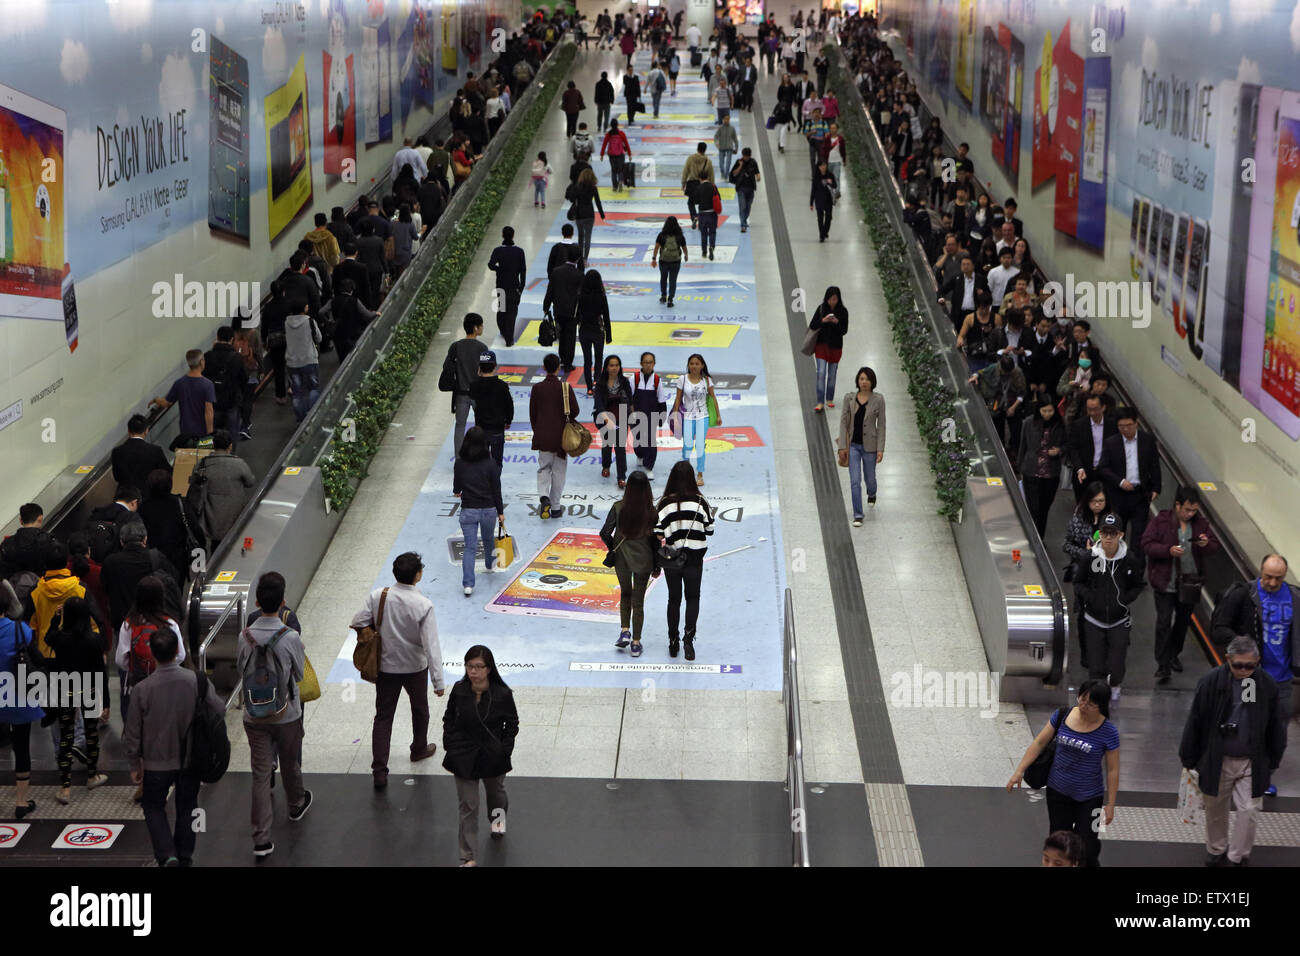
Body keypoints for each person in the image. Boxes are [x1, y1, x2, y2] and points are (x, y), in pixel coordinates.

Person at [1180, 635, 1287, 866]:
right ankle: (1217, 848)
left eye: (1250, 665)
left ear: (1258, 661)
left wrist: (1274, 757)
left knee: (1249, 809)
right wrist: (1188, 757)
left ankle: (1237, 856)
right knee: (1215, 807)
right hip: (1217, 757)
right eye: (1238, 665)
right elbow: (1196, 720)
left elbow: (1276, 725)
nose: (1244, 670)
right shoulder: (1210, 682)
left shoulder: (1266, 684)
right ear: (1227, 659)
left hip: (1252, 759)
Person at [122, 624, 223, 866]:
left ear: (153, 654)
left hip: (156, 763)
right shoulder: (196, 680)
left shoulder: (142, 689)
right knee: (187, 806)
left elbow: (133, 732)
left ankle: (167, 855)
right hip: (190, 759)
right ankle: (185, 855)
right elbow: (219, 708)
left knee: (153, 806)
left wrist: (134, 763)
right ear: (177, 650)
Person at [349, 552, 446, 791]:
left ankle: (379, 771)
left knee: (383, 716)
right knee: (420, 709)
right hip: (415, 667)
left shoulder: (378, 596)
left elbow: (358, 620)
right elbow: (431, 645)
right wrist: (438, 681)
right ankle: (419, 748)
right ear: (418, 575)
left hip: (386, 667)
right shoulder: (423, 605)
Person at [1007, 680, 1119, 868]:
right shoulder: (1062, 715)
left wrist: (1111, 804)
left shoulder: (1108, 731)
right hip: (1058, 792)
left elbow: (1113, 769)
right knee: (1059, 844)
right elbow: (1039, 743)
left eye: (1090, 704)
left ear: (1101, 705)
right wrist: (1019, 771)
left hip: (1091, 797)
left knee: (1088, 847)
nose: (1083, 706)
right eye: (1082, 699)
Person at [1211, 553, 1298, 794]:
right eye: (1268, 577)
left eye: (1278, 578)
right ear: (1260, 572)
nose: (1272, 583)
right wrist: (1243, 646)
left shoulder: (1294, 597)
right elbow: (1219, 629)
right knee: (1248, 722)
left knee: (1277, 729)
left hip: (1281, 680)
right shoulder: (1244, 595)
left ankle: (1264, 773)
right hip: (1250, 677)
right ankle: (1248, 775)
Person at [238, 572, 310, 858]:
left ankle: (261, 838)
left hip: (254, 716)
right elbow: (301, 674)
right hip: (286, 714)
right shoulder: (290, 636)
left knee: (260, 773)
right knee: (290, 762)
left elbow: (240, 667)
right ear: (282, 603)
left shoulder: (245, 636)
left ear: (256, 601)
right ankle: (295, 804)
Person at [442, 645, 519, 866]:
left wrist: (504, 748)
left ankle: (497, 823)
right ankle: (468, 856)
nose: (473, 672)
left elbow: (512, 724)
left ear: (489, 668)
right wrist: (451, 743)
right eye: (469, 666)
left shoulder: (502, 694)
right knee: (468, 805)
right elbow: (449, 718)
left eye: (478, 667)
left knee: (496, 795)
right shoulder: (459, 690)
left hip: (492, 755)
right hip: (463, 754)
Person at [1142, 487, 1221, 683]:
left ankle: (1173, 653)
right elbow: (1146, 544)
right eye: (1187, 509)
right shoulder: (1161, 521)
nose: (1190, 514)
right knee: (1163, 621)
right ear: (1177, 505)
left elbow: (1213, 545)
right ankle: (1163, 664)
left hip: (1189, 583)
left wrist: (1205, 544)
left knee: (1183, 621)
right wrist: (1167, 550)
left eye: (1194, 510)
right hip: (1165, 581)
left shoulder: (1200, 524)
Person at [1071, 513, 1146, 701]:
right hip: (1093, 619)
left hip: (1119, 619)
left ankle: (1114, 690)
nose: (1109, 538)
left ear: (1120, 535)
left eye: (1113, 533)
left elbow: (1138, 585)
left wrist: (1125, 599)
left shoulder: (1129, 559)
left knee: (1116, 665)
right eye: (1105, 533)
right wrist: (1090, 598)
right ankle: (1096, 699)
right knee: (1095, 666)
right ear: (1100, 534)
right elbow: (1078, 582)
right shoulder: (1090, 558)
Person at [42, 597, 109, 805]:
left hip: (66, 689)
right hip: (89, 689)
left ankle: (65, 788)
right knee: (91, 734)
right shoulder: (94, 641)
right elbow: (101, 672)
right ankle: (92, 776)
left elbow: (47, 637)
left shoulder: (60, 638)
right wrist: (105, 701)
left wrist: (55, 618)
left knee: (66, 737)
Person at [656, 460, 715, 659]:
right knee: (693, 598)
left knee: (673, 599)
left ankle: (673, 641)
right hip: (695, 559)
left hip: (672, 559)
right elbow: (710, 529)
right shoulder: (701, 502)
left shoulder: (664, 504)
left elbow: (657, 532)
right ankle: (689, 641)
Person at [600, 472, 661, 658]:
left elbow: (605, 532)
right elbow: (655, 542)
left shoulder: (617, 507)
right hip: (644, 560)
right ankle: (636, 643)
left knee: (625, 593)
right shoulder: (651, 512)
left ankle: (624, 630)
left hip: (622, 559)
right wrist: (657, 565)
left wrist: (614, 548)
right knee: (638, 600)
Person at [0, 612, 44, 818]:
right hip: (17, 695)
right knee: (21, 747)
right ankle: (20, 801)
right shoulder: (20, 629)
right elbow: (36, 656)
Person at [454, 427, 506, 596]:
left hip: (468, 510)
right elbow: (496, 489)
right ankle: (490, 565)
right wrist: (500, 511)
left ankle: (468, 584)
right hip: (488, 509)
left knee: (470, 547)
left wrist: (459, 491)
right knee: (488, 538)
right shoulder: (491, 464)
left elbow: (457, 488)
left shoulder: (460, 463)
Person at [1098, 406, 1161, 545]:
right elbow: (1103, 468)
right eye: (1121, 426)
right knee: (1118, 530)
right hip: (1118, 495)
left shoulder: (1147, 440)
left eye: (1129, 425)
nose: (1125, 429)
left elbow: (1154, 465)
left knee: (1139, 533)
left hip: (1141, 494)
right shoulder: (1111, 442)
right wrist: (1120, 481)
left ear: (1136, 423)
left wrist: (1156, 488)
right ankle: (1118, 560)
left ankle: (1135, 564)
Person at [530, 353, 581, 520]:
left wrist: (538, 431)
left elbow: (533, 414)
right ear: (559, 367)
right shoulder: (565, 388)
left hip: (543, 435)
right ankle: (556, 507)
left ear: (544, 367)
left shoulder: (537, 388)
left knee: (544, 468)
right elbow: (575, 411)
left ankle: (544, 497)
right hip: (561, 437)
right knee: (559, 471)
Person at [187, 430, 255, 552]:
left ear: (213, 445)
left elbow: (193, 482)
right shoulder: (238, 463)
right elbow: (250, 482)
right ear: (230, 446)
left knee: (216, 547)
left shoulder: (202, 464)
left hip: (212, 514)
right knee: (235, 545)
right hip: (234, 513)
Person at [837, 367, 886, 524]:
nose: (864, 382)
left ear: (872, 382)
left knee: (870, 479)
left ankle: (872, 493)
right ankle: (858, 514)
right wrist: (842, 447)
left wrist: (880, 449)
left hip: (870, 447)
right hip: (853, 446)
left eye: (867, 379)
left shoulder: (878, 399)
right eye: (861, 379)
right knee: (855, 480)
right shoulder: (849, 398)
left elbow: (882, 425)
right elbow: (843, 423)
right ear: (857, 381)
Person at [1018, 398, 1066, 538]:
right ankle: (1032, 537)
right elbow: (1023, 445)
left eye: (1050, 410)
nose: (1047, 414)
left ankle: (1039, 537)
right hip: (1031, 471)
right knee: (1033, 508)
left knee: (1044, 509)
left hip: (1051, 474)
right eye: (1044, 411)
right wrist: (1021, 466)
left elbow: (1067, 444)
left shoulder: (1060, 424)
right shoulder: (1029, 422)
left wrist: (1059, 451)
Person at [444, 313, 491, 457]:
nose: (483, 328)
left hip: (461, 393)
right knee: (481, 426)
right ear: (476, 328)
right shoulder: (482, 347)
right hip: (479, 394)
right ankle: (480, 455)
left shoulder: (456, 346)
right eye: (481, 325)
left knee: (460, 426)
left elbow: (447, 366)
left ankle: (459, 459)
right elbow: (487, 370)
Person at [671, 354, 719, 486]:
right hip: (687, 416)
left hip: (703, 416)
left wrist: (718, 415)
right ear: (688, 365)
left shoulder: (707, 380)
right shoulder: (682, 379)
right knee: (687, 445)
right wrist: (675, 415)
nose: (694, 366)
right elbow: (678, 398)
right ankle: (685, 472)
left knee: (699, 445)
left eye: (697, 364)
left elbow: (713, 398)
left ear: (702, 365)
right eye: (691, 363)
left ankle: (699, 474)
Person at [149, 350, 215, 447]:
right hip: (202, 432)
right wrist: (210, 435)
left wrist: (156, 399)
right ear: (201, 362)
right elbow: (208, 411)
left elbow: (166, 403)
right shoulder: (207, 385)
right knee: (202, 458)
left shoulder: (179, 383)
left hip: (185, 432)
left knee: (188, 459)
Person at [969, 354, 1027, 454]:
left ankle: (1014, 452)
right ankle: (1001, 451)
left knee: (1016, 433)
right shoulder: (995, 368)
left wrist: (1013, 407)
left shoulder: (1018, 373)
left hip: (1013, 404)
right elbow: (981, 372)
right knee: (998, 432)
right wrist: (975, 376)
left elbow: (1022, 393)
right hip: (997, 404)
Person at [468, 351, 514, 472]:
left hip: (480, 429)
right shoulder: (502, 386)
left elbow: (473, 403)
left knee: (480, 461)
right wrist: (508, 420)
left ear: (480, 367)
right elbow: (509, 406)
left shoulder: (474, 385)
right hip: (497, 429)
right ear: (495, 366)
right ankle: (495, 487)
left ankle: (482, 486)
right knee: (497, 462)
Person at [593, 355, 634, 487]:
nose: (614, 368)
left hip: (621, 416)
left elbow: (630, 400)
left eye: (617, 365)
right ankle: (606, 466)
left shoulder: (624, 382)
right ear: (606, 367)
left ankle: (621, 477)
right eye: (611, 365)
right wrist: (606, 420)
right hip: (605, 417)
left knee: (620, 447)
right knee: (607, 445)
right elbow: (599, 405)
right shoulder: (600, 384)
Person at [631, 352, 671, 480]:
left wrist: (661, 417)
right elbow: (628, 398)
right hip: (636, 414)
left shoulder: (657, 380)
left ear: (654, 364)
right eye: (645, 362)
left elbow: (661, 399)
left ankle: (649, 467)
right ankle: (640, 455)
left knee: (650, 441)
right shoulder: (634, 378)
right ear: (641, 363)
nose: (648, 365)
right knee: (637, 438)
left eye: (650, 362)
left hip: (651, 415)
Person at [808, 286, 848, 412]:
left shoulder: (843, 312)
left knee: (832, 374)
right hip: (821, 346)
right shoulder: (821, 309)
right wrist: (823, 320)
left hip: (835, 347)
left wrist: (836, 322)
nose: (832, 302)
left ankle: (829, 398)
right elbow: (812, 325)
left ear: (838, 299)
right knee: (821, 372)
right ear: (826, 299)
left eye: (835, 299)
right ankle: (820, 401)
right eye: (830, 299)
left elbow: (844, 330)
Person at [284, 299, 322, 423]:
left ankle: (301, 418)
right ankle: (312, 415)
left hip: (292, 362)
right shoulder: (310, 321)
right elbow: (319, 338)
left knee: (297, 393)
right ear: (304, 308)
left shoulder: (286, 323)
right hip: (309, 359)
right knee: (313, 388)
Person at [112, 415, 171, 495]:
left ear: (129, 430)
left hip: (126, 496)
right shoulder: (155, 450)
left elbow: (117, 477)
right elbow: (166, 471)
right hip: (149, 496)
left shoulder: (117, 452)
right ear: (146, 430)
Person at [487, 226, 526, 347]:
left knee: (502, 309)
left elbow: (491, 264)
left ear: (502, 235)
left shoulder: (498, 250)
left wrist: (499, 269)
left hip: (501, 285)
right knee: (512, 312)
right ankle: (509, 338)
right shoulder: (519, 251)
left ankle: (504, 331)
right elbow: (523, 270)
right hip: (514, 286)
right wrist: (521, 286)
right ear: (513, 235)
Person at [577, 269, 612, 395]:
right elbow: (606, 316)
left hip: (584, 330)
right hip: (598, 330)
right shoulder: (601, 296)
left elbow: (577, 315)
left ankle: (589, 388)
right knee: (598, 358)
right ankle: (597, 381)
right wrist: (609, 335)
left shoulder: (580, 296)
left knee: (587, 360)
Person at [331, 278, 380, 366]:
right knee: (352, 356)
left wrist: (329, 321)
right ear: (352, 289)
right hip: (352, 333)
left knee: (342, 359)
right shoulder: (355, 301)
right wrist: (375, 313)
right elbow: (367, 315)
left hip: (338, 333)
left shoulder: (333, 300)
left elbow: (321, 312)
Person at [939, 255, 990, 332]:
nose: (965, 267)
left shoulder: (981, 279)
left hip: (974, 314)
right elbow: (942, 290)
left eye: (968, 264)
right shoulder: (956, 278)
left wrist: (982, 295)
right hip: (959, 314)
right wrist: (941, 298)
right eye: (963, 264)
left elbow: (988, 296)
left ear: (973, 266)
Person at [567, 167, 605, 267]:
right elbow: (598, 202)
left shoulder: (577, 187)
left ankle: (579, 259)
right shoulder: (593, 188)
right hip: (590, 215)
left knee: (580, 236)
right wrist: (602, 214)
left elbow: (571, 199)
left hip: (579, 214)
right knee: (588, 237)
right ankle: (585, 260)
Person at [681, 143, 715, 229]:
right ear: (705, 150)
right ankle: (702, 223)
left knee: (690, 203)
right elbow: (711, 175)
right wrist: (712, 186)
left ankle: (694, 216)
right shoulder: (708, 161)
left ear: (697, 149)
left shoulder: (691, 158)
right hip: (703, 185)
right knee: (702, 204)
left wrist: (683, 183)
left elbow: (685, 171)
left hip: (692, 184)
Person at [729, 147, 760, 233]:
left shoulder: (753, 162)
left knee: (748, 207)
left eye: (747, 156)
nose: (746, 158)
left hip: (751, 188)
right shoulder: (739, 162)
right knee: (742, 206)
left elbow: (757, 172)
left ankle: (744, 220)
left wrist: (758, 177)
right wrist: (740, 166)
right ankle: (743, 225)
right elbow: (734, 173)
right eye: (744, 156)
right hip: (741, 188)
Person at [600, 119, 632, 192]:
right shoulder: (621, 133)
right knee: (620, 170)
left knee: (614, 171)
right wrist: (629, 154)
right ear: (617, 124)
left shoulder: (609, 134)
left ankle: (614, 186)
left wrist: (601, 155)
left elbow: (604, 144)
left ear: (611, 125)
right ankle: (620, 182)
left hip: (612, 155)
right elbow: (626, 144)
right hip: (620, 154)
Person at [694, 173, 720, 260]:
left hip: (702, 214)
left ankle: (704, 252)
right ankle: (712, 247)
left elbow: (696, 201)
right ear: (707, 177)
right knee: (712, 232)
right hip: (712, 213)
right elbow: (718, 198)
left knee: (703, 234)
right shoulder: (713, 186)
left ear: (699, 178)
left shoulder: (698, 187)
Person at [714, 114, 739, 181]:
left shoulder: (732, 128)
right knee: (721, 163)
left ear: (729, 120)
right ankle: (722, 173)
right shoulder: (720, 128)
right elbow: (715, 137)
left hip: (729, 148)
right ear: (723, 120)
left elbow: (735, 139)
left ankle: (726, 175)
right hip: (721, 148)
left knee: (728, 162)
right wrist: (717, 144)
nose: (726, 120)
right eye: (725, 119)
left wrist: (736, 148)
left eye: (728, 119)